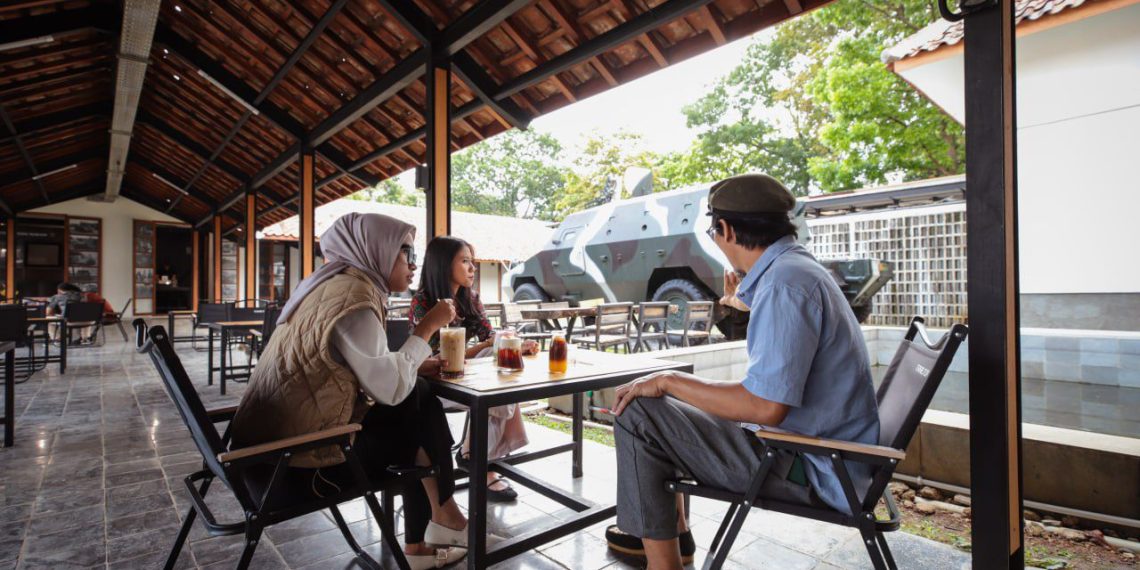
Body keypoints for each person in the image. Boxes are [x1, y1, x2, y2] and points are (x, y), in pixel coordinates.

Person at [603, 174, 880, 569]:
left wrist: (670, 379)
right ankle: (674, 537)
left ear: (727, 229)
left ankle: (664, 561)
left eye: (712, 230)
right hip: (822, 456)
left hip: (809, 467)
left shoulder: (785, 284)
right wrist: (743, 301)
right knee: (660, 402)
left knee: (638, 411)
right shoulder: (795, 270)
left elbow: (767, 407)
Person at [230, 213, 474, 570]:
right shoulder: (355, 300)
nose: (412, 263)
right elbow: (390, 389)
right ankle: (441, 523)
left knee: (417, 394)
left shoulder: (331, 287)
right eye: (404, 252)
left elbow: (352, 369)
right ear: (375, 250)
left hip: (264, 458)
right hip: (294, 472)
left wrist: (408, 363)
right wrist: (426, 328)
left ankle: (434, 530)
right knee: (414, 411)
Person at [409, 236, 537, 503]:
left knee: (501, 362)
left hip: (466, 376)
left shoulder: (471, 298)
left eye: (472, 261)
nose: (472, 267)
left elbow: (489, 338)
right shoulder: (423, 303)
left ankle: (474, 454)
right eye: (465, 261)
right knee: (499, 394)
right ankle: (479, 460)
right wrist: (489, 346)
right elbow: (435, 359)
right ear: (444, 265)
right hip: (436, 383)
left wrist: (514, 345)